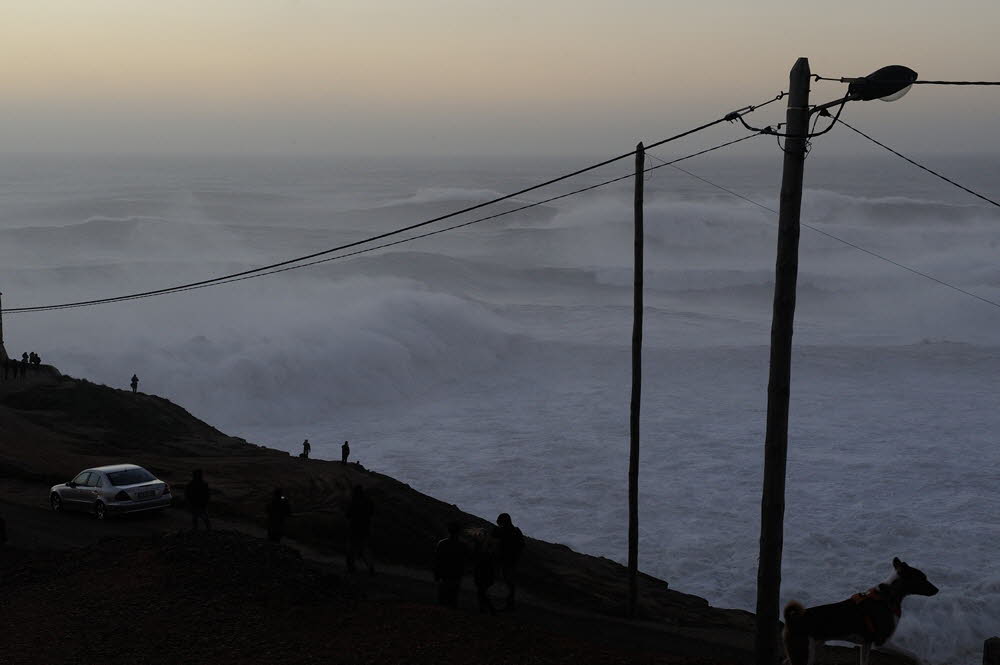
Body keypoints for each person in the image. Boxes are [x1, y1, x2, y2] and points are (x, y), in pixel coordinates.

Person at [492, 512, 525, 610]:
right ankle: (509, 603)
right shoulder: (516, 531)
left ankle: (506, 604)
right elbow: (522, 545)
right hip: (512, 560)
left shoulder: (502, 532)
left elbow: (494, 538)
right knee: (510, 582)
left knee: (505, 581)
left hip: (504, 560)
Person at [433, 522, 467, 607]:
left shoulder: (442, 543)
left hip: (444, 574)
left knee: (442, 598)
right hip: (456, 574)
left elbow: (438, 560)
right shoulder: (462, 545)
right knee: (453, 597)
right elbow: (465, 560)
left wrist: (436, 574)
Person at [346, 485, 375, 575]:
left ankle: (351, 568)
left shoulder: (353, 502)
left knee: (352, 549)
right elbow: (372, 513)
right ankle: (370, 567)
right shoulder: (368, 501)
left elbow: (348, 515)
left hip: (354, 528)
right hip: (365, 528)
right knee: (365, 549)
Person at [472, 531, 497, 615]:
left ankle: (487, 609)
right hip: (486, 572)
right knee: (482, 591)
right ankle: (486, 609)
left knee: (481, 592)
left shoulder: (482, 548)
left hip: (482, 572)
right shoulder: (489, 548)